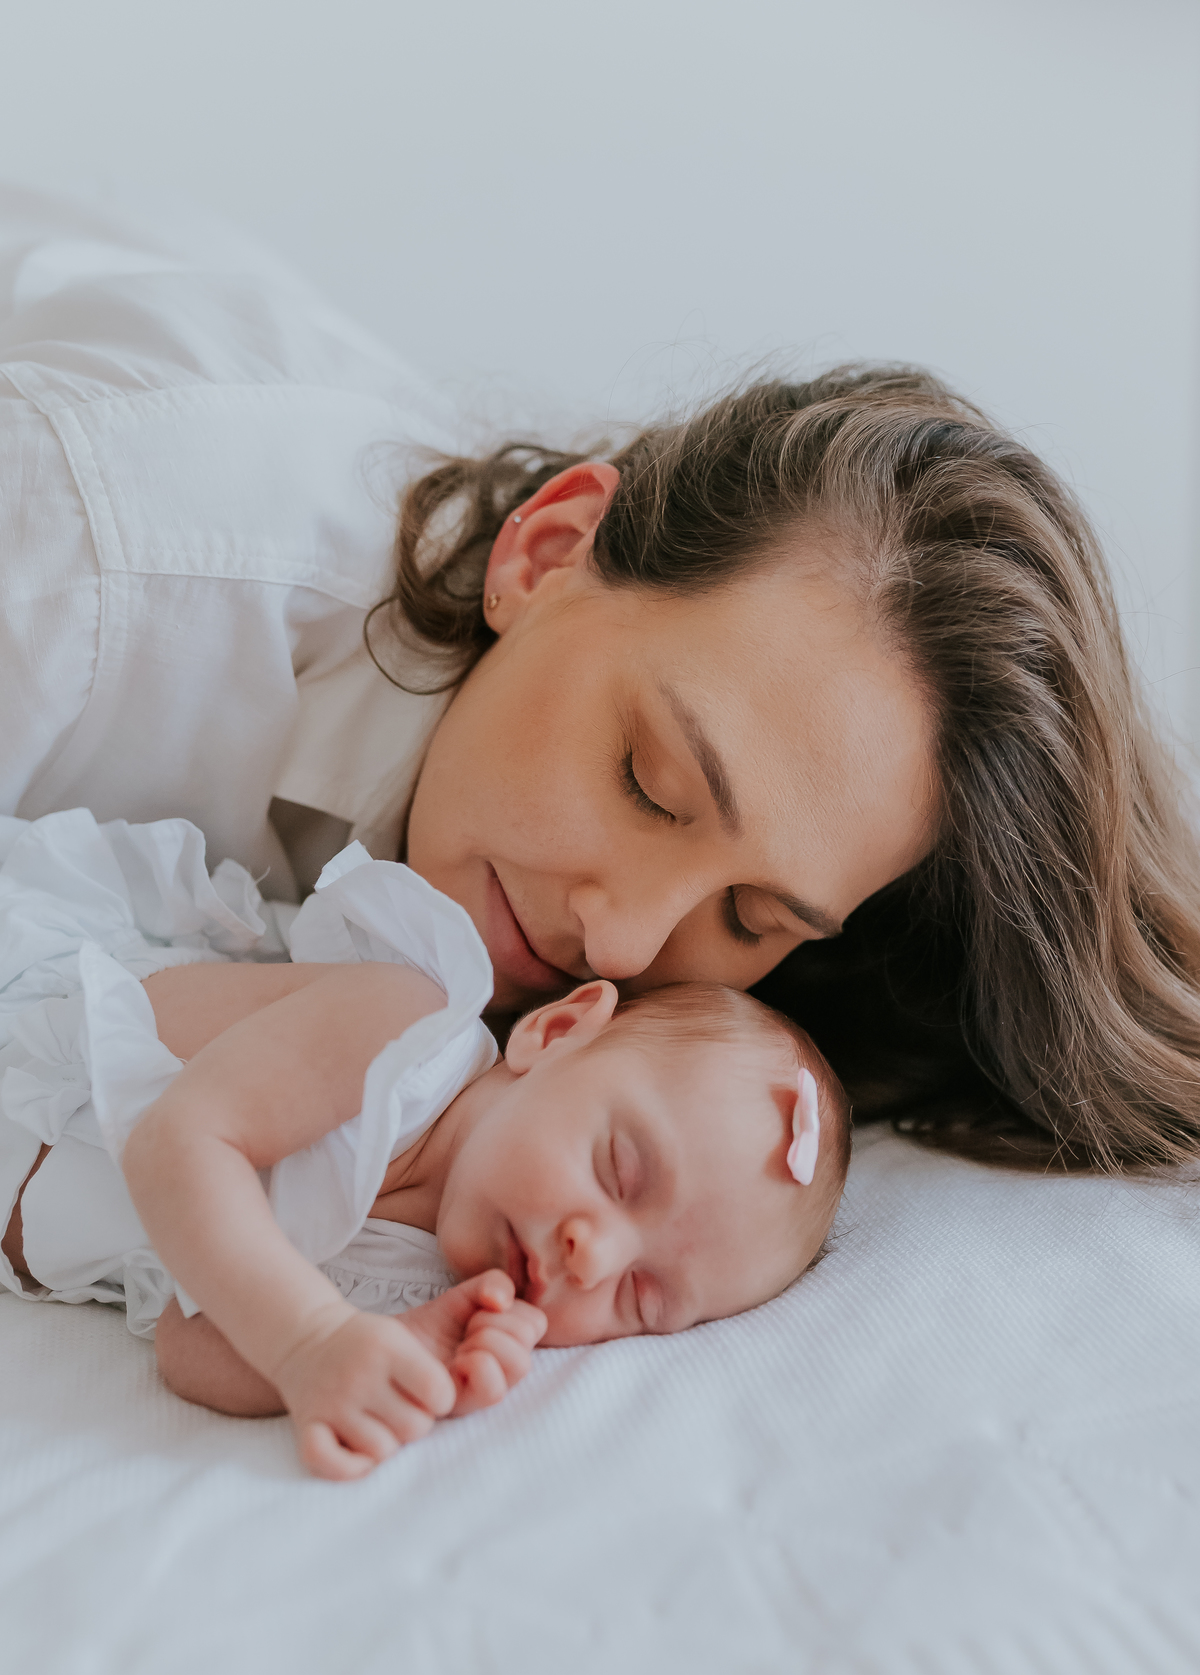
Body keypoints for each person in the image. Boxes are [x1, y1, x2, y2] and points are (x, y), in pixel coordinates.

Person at [4, 189, 1199, 1175]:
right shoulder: (100, 556)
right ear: (545, 551)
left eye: (753, 920)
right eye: (648, 784)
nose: (622, 945)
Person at [0, 808, 849, 1481]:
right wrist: (307, 1341)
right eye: (618, 1170)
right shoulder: (403, 1037)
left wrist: (377, 1352)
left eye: (642, 1297)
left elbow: (191, 1341)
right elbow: (178, 1141)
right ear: (556, 1033)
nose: (593, 1260)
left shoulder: (419, 1285)